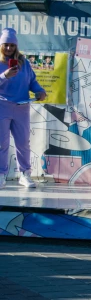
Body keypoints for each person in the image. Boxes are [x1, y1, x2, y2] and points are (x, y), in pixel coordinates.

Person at [0, 28, 47, 189]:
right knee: (1, 143)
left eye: (12, 45)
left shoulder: (23, 62)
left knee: (23, 143)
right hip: (2, 106)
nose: (8, 49)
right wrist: (4, 75)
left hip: (22, 107)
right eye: (6, 45)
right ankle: (1, 175)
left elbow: (32, 81)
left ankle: (25, 174)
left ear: (16, 46)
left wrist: (39, 90)